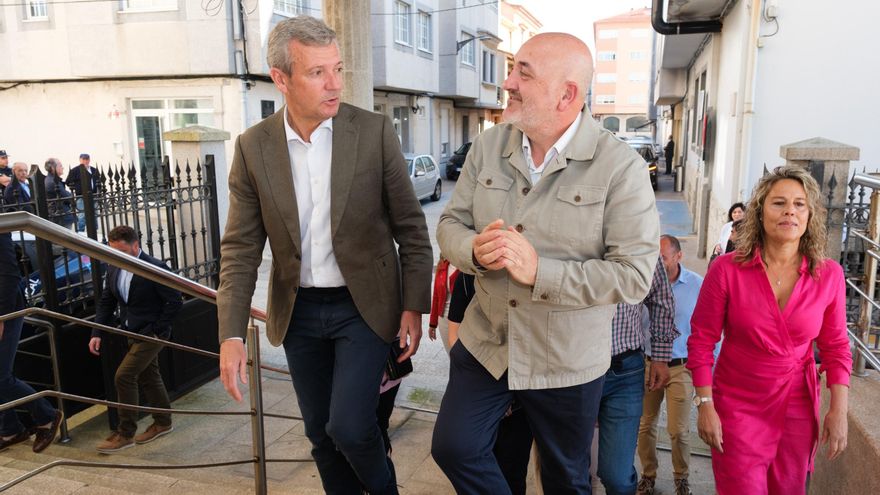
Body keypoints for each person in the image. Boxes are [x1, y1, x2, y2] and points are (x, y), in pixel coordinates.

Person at [432, 32, 660, 493]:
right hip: (488, 341)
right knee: (454, 447)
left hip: (566, 359)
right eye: (512, 70)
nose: (508, 82)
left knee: (565, 479)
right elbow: (450, 223)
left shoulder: (621, 167)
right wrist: (472, 250)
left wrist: (541, 273)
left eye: (524, 73)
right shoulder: (488, 146)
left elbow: (634, 276)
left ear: (566, 94)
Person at [216, 16, 432, 495]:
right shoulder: (253, 148)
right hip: (299, 313)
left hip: (364, 306)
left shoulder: (373, 132)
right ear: (281, 78)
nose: (335, 84)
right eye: (317, 73)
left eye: (337, 68)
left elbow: (413, 230)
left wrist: (413, 306)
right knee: (320, 435)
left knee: (350, 427)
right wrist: (230, 333)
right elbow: (240, 249)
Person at [688, 166, 851, 494]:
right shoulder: (726, 270)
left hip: (797, 406)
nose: (790, 211)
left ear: (809, 216)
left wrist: (838, 410)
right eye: (779, 203)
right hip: (737, 404)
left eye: (799, 204)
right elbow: (702, 341)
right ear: (760, 212)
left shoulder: (829, 275)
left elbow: (836, 346)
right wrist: (705, 403)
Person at [89, 225, 182, 453]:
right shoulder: (114, 266)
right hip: (131, 331)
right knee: (150, 376)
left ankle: (126, 433)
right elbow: (107, 301)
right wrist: (96, 332)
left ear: (136, 245)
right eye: (113, 250)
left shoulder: (155, 267)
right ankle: (163, 422)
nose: (117, 255)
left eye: (122, 251)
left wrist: (157, 330)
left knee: (124, 376)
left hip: (151, 334)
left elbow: (175, 301)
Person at [598, 258, 677, 495]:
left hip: (624, 370)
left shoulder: (642, 242)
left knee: (617, 477)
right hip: (572, 368)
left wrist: (660, 356)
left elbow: (660, 297)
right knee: (570, 471)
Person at [637, 235, 703, 495]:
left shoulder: (697, 285)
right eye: (655, 257)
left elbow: (707, 327)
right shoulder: (643, 281)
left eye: (663, 257)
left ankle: (681, 477)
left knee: (679, 430)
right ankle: (648, 475)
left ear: (678, 256)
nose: (658, 262)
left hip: (681, 367)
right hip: (648, 363)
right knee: (646, 424)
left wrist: (709, 367)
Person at [0, 231, 63, 453]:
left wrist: (2, 317)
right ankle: (10, 429)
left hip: (5, 309)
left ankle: (47, 416)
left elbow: (9, 275)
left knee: (1, 376)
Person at [66, 153, 100, 232]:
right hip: (81, 196)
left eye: (87, 159)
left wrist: (99, 192)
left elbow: (99, 182)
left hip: (93, 195)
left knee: (94, 214)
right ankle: (81, 232)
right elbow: (68, 182)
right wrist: (77, 187)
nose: (85, 161)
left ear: (89, 160)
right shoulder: (74, 170)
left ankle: (94, 231)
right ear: (80, 160)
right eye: (83, 159)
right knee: (82, 215)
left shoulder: (94, 170)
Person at [43, 158, 75, 230]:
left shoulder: (51, 180)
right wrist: (70, 195)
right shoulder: (53, 181)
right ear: (52, 168)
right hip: (60, 217)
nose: (62, 167)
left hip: (60, 215)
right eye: (60, 165)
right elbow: (68, 197)